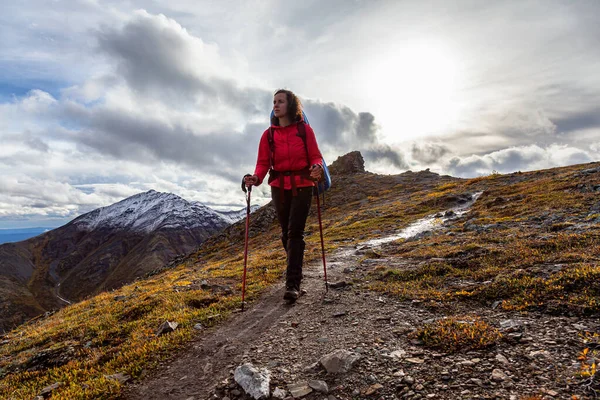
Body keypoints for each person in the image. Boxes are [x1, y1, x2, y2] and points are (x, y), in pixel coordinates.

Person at [244, 89, 323, 302]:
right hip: (278, 186)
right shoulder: (268, 135)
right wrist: (255, 178)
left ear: (291, 105)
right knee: (286, 233)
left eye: (280, 101)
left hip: (303, 185)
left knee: (295, 232)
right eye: (274, 102)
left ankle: (292, 284)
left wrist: (317, 167)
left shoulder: (305, 131)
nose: (275, 105)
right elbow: (263, 164)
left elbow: (315, 156)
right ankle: (295, 266)